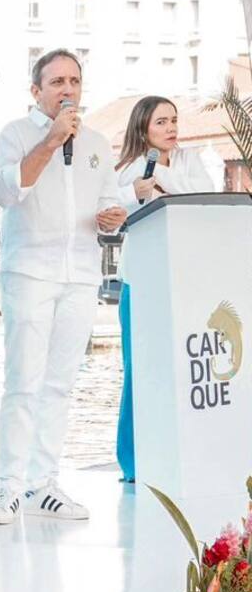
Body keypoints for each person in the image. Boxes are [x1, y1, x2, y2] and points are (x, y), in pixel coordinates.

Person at [0, 49, 126, 524]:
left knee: (61, 384)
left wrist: (112, 215)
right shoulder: (15, 134)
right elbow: (7, 192)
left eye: (75, 80)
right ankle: (9, 486)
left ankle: (42, 483)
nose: (68, 89)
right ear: (36, 90)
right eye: (57, 81)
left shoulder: (96, 144)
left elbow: (109, 200)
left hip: (81, 273)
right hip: (30, 272)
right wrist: (49, 141)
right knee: (23, 381)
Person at [113, 96, 217, 481]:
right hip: (142, 278)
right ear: (143, 128)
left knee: (184, 368)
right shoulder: (127, 169)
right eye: (161, 122)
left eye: (174, 120)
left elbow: (201, 193)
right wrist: (145, 185)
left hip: (184, 276)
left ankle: (182, 453)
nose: (171, 128)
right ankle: (132, 462)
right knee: (138, 370)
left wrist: (163, 179)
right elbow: (119, 210)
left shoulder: (189, 159)